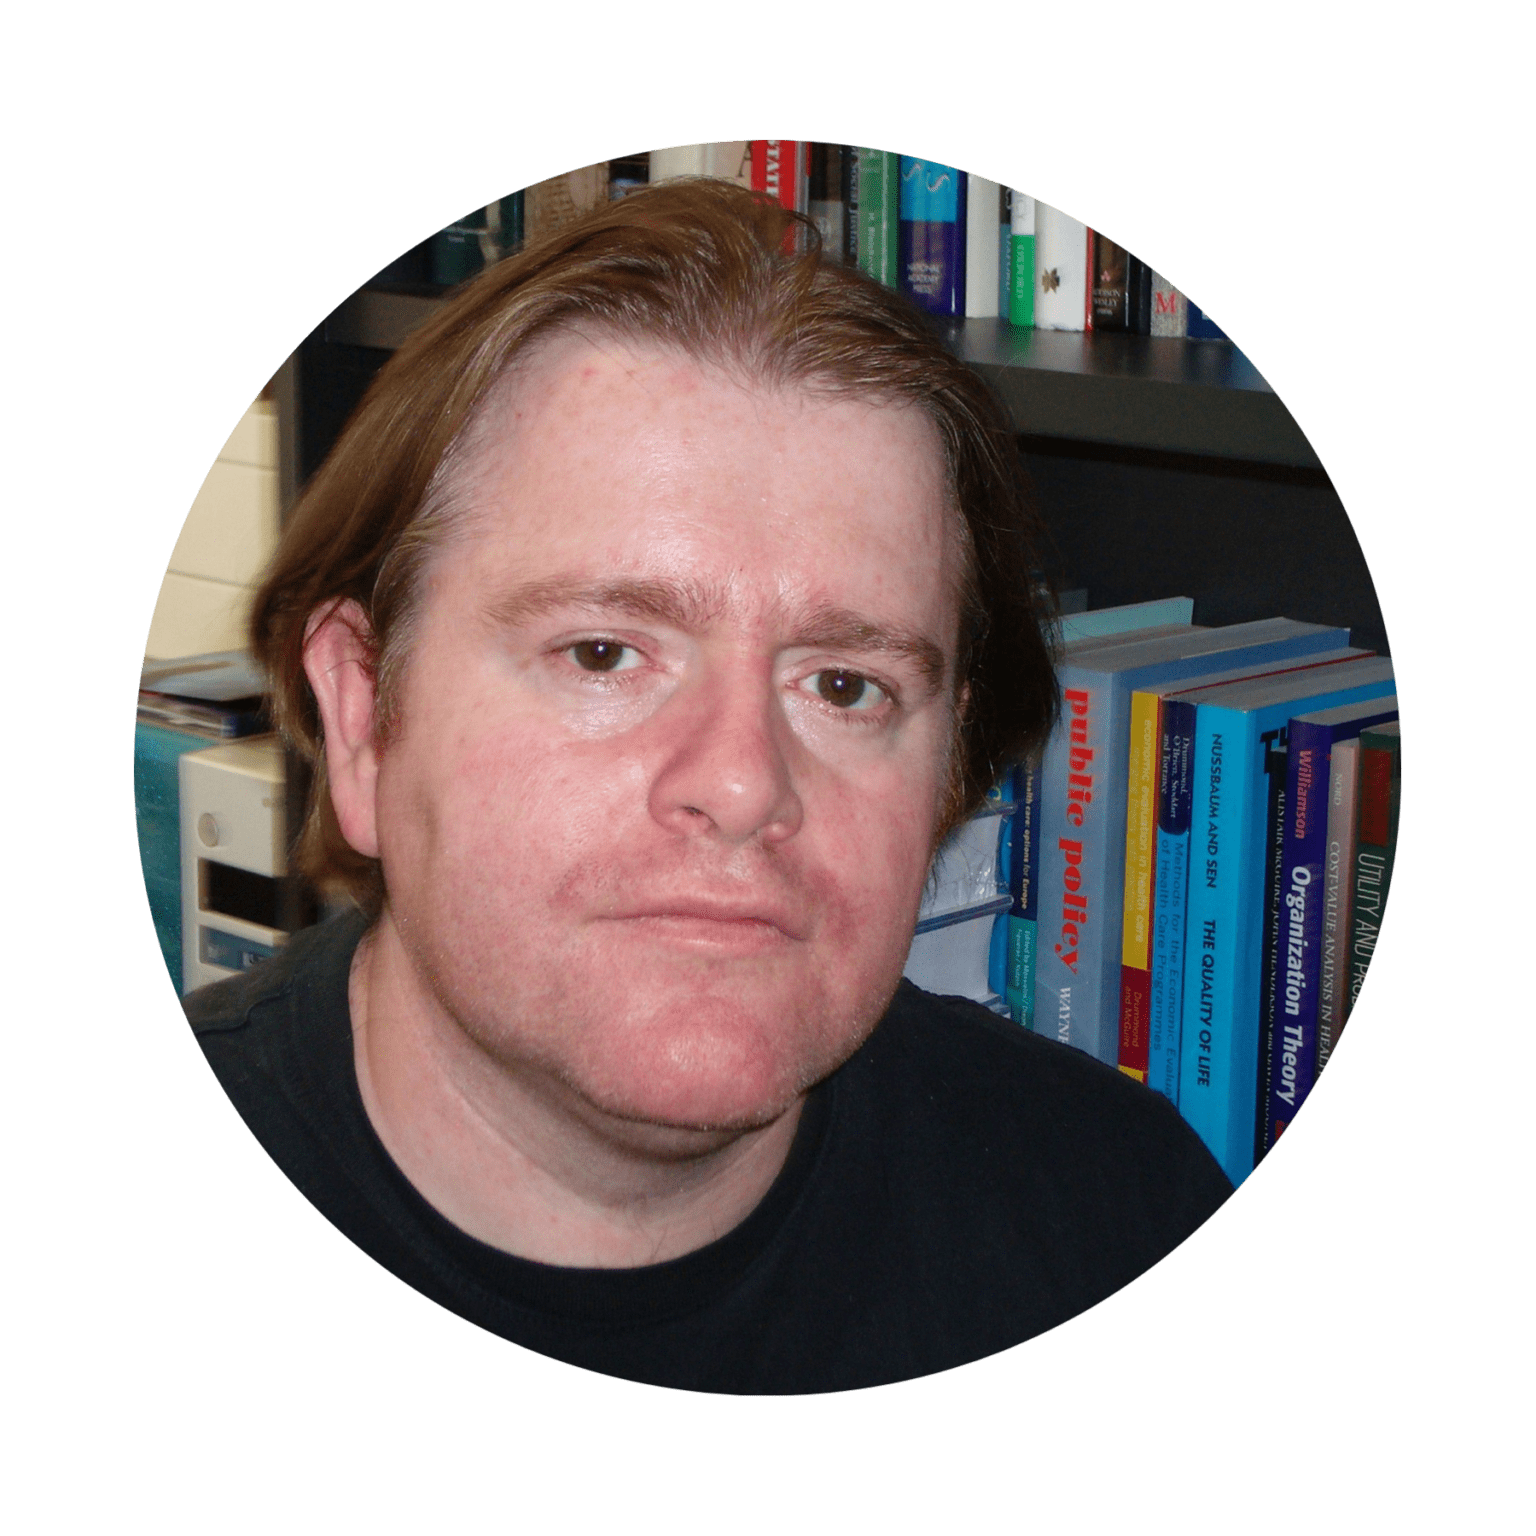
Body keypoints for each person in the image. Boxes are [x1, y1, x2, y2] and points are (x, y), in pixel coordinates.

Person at [186, 178, 1231, 1394]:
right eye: (602, 654)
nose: (741, 785)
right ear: (365, 718)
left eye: (844, 685)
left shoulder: (1122, 1219)